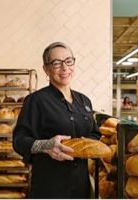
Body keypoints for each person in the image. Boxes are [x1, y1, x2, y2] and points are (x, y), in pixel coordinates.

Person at [13, 42, 101, 198]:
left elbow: (94, 134)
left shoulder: (84, 101)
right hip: (50, 187)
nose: (65, 68)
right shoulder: (36, 100)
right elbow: (19, 140)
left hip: (81, 186)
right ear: (46, 69)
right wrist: (45, 145)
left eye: (68, 61)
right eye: (56, 63)